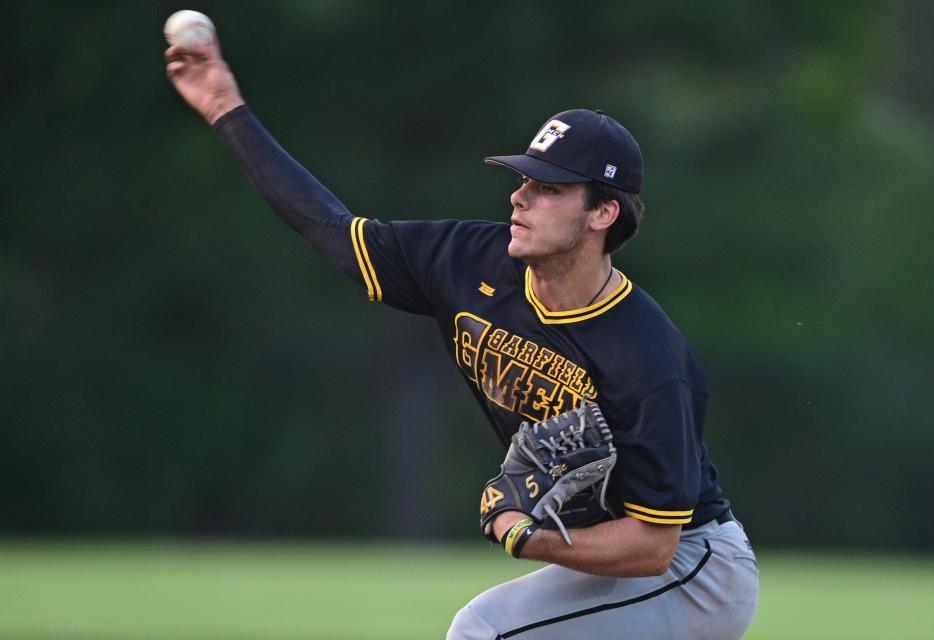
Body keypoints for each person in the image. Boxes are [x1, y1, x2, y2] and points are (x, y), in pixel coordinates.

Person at [165, 33, 760, 640]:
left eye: (549, 188)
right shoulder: (468, 259)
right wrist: (223, 108)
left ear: (602, 214)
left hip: (695, 570)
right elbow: (334, 233)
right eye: (524, 178)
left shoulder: (648, 359)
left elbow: (655, 543)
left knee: (484, 630)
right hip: (629, 565)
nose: (519, 195)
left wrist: (528, 537)